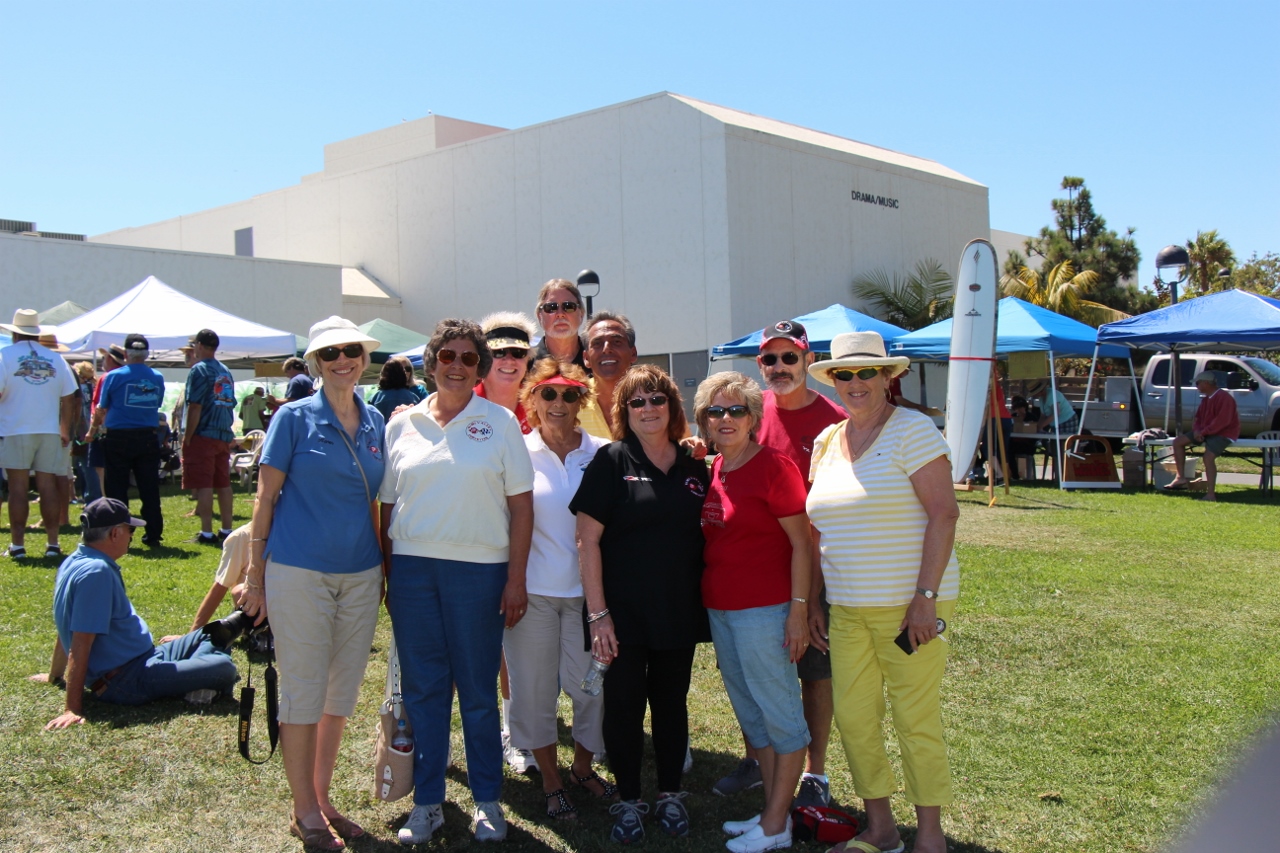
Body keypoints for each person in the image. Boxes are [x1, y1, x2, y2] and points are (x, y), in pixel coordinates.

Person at [379, 318, 534, 845]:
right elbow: (387, 506)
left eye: (470, 359)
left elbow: (521, 506)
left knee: (476, 691)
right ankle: (427, 803)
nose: (458, 366)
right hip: (414, 573)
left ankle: (488, 801)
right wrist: (389, 575)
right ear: (432, 362)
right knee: (424, 692)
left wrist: (515, 578)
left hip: (481, 573)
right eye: (449, 356)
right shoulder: (400, 424)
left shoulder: (501, 421)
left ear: (481, 369)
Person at [805, 332, 960, 853]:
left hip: (907, 610)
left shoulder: (913, 430)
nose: (855, 383)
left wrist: (925, 598)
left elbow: (944, 514)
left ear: (888, 377)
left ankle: (931, 837)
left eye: (866, 373)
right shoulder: (827, 441)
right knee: (853, 718)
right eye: (844, 375)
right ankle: (881, 828)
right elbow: (818, 530)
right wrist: (813, 601)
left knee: (915, 719)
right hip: (847, 609)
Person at [238, 316, 385, 851]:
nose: (342, 359)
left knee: (338, 695)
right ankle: (304, 811)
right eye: (330, 354)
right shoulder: (293, 418)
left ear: (364, 358)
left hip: (362, 575)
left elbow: (376, 502)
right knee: (302, 692)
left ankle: (320, 800)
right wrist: (255, 576)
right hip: (299, 572)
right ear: (317, 364)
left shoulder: (375, 423)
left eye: (350, 350)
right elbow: (264, 499)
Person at [570, 364, 710, 843]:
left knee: (672, 704)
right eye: (637, 401)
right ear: (623, 412)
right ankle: (628, 800)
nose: (648, 408)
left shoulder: (696, 466)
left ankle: (670, 794)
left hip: (678, 610)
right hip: (622, 616)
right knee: (624, 706)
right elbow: (586, 542)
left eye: (657, 399)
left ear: (672, 406)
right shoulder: (612, 461)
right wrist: (598, 615)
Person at [718, 319, 844, 807]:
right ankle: (758, 758)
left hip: (817, 561)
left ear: (808, 361)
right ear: (759, 365)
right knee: (753, 673)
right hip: (757, 566)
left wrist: (810, 596)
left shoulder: (835, 420)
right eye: (769, 359)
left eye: (789, 357)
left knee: (814, 670)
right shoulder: (749, 411)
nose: (779, 367)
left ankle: (815, 772)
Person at [694, 371, 812, 853]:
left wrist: (799, 611)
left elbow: (802, 545)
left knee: (782, 718)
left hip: (765, 611)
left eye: (736, 409)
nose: (726, 418)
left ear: (752, 417)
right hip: (721, 611)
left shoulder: (774, 467)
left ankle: (776, 821)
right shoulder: (717, 468)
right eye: (715, 411)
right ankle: (773, 815)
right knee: (753, 716)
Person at [504, 358, 615, 819]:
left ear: (582, 401)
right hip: (531, 596)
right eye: (548, 393)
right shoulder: (514, 451)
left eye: (570, 394)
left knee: (592, 688)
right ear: (531, 399)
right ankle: (551, 778)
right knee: (532, 691)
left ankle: (583, 767)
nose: (558, 402)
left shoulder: (605, 452)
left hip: (590, 599)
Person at [34, 498, 239, 729]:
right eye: (129, 530)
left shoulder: (74, 561)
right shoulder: (96, 572)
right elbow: (80, 641)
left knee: (215, 632)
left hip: (144, 658)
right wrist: (72, 708)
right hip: (127, 679)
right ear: (114, 533)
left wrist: (55, 675)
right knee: (225, 669)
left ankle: (193, 676)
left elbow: (66, 625)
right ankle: (196, 677)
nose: (131, 536)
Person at [0, 309, 78, 560]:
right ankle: (53, 544)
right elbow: (69, 396)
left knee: (18, 488)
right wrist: (63, 428)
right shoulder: (55, 358)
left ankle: (18, 545)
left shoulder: (4, 356)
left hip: (15, 428)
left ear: (14, 333)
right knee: (48, 486)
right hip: (48, 430)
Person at [92, 334, 166, 547]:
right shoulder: (157, 377)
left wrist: (94, 429)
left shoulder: (114, 376)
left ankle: (119, 532)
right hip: (147, 436)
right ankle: (153, 534)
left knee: (116, 488)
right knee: (149, 488)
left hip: (118, 437)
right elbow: (157, 403)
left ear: (125, 354)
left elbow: (102, 406)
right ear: (147, 354)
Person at [183, 329, 236, 545]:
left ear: (200, 346)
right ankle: (227, 528)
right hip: (223, 433)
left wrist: (188, 435)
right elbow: (230, 403)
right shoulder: (225, 371)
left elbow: (195, 406)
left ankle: (206, 532)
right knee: (223, 482)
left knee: (204, 483)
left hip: (204, 433)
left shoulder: (199, 370)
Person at [1164, 370, 1240, 502]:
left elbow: (1223, 421)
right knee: (1178, 442)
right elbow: (1198, 419)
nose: (1196, 386)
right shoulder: (1206, 399)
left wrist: (1203, 432)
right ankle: (1180, 478)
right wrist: (1197, 431)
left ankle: (1211, 494)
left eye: (1198, 383)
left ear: (1206, 383)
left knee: (1208, 458)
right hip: (1206, 431)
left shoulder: (1225, 398)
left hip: (1223, 433)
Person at [577, 311, 639, 439]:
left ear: (633, 353)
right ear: (586, 358)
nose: (606, 349)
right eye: (597, 343)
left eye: (616, 342)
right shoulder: (572, 402)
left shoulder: (657, 400)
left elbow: (681, 444)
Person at [477, 312, 536, 435]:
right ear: (483, 358)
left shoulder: (539, 406)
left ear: (528, 359)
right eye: (499, 352)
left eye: (518, 352)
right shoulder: (464, 404)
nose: (509, 360)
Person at [189, 523, 252, 631]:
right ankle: (256, 634)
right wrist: (192, 635)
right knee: (240, 591)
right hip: (259, 607)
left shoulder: (287, 533)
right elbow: (221, 586)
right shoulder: (242, 537)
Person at [533, 278, 588, 371]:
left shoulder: (595, 360)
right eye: (551, 307)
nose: (560, 314)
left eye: (568, 306)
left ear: (581, 314)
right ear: (540, 316)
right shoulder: (525, 363)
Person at [72, 361, 99, 503]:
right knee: (93, 466)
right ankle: (94, 495)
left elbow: (80, 412)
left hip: (83, 431)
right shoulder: (95, 386)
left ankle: (92, 497)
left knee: (87, 466)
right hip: (96, 430)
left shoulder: (78, 389)